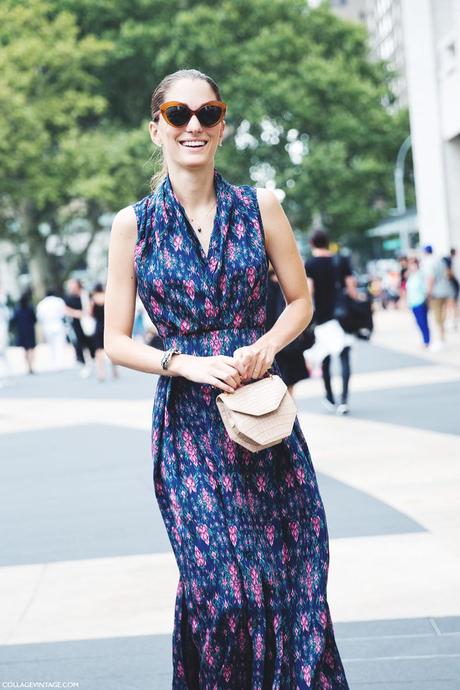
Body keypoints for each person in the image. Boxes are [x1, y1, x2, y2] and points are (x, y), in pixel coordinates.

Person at [104, 69, 350, 689]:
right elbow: (115, 340)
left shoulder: (261, 206)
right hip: (187, 425)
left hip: (260, 416)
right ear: (155, 126)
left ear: (223, 124)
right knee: (222, 592)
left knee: (288, 574)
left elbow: (301, 301)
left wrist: (265, 346)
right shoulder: (131, 226)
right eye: (179, 115)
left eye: (207, 114)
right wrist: (182, 362)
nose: (194, 126)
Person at [305, 230, 358, 415]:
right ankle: (344, 400)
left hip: (322, 319)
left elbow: (309, 292)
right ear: (328, 243)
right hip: (343, 317)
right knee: (344, 358)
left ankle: (329, 396)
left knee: (325, 359)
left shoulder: (310, 264)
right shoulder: (340, 261)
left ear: (312, 243)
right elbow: (351, 287)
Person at [266, 261, 310, 396]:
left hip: (264, 338)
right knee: (288, 385)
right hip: (283, 338)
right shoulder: (283, 285)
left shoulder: (259, 285)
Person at [64, 278, 96, 377]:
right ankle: (85, 363)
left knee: (91, 343)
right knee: (80, 344)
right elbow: (66, 310)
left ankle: (93, 361)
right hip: (76, 325)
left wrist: (79, 313)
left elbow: (90, 309)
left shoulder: (86, 295)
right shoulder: (68, 298)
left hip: (88, 324)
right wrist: (80, 314)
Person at [88, 282, 118, 382]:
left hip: (98, 326)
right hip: (108, 325)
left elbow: (90, 313)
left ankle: (101, 373)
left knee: (99, 350)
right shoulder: (107, 297)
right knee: (111, 348)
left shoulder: (93, 299)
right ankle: (114, 370)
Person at [36, 289, 68, 370]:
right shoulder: (58, 301)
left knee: (52, 345)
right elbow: (63, 313)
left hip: (47, 326)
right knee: (60, 344)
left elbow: (40, 317)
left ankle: (54, 363)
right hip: (58, 324)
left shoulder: (41, 304)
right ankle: (59, 363)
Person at [10, 291, 37, 374]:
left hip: (22, 331)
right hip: (30, 331)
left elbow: (13, 321)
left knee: (25, 349)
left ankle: (28, 366)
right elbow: (34, 319)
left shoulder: (17, 310)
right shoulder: (30, 308)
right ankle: (31, 365)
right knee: (31, 349)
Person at [406, 257, 430, 348]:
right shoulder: (411, 276)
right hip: (413, 303)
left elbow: (425, 288)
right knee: (418, 322)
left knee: (423, 322)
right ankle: (424, 340)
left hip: (420, 302)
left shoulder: (421, 275)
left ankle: (426, 341)